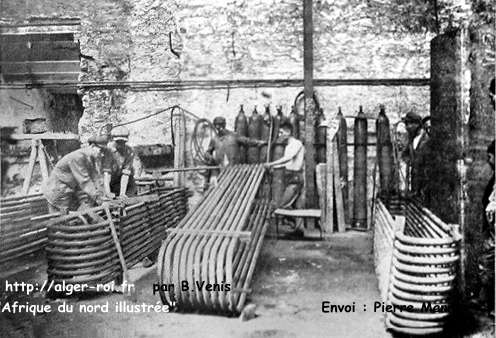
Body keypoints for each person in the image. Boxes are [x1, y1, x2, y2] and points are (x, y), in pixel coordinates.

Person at [42, 135, 107, 214]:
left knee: (82, 213)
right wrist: (100, 199)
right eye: (101, 150)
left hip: (70, 190)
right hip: (58, 191)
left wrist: (104, 197)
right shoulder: (78, 157)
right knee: (61, 219)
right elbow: (85, 182)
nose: (102, 154)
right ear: (92, 146)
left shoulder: (91, 158)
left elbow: (96, 178)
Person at [264, 121, 305, 209]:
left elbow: (288, 158)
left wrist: (271, 163)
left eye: (281, 132)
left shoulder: (296, 143)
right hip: (288, 177)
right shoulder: (287, 146)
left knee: (281, 204)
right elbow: (287, 163)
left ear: (288, 132)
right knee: (280, 203)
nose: (279, 135)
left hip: (295, 178)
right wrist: (274, 167)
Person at [102, 126, 137, 198]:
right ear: (113, 140)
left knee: (131, 191)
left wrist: (122, 194)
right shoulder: (108, 151)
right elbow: (107, 175)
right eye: (118, 142)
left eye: (123, 142)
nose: (121, 145)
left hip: (118, 180)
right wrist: (108, 193)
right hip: (105, 181)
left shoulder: (129, 151)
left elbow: (125, 174)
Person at [401, 111, 430, 198]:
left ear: (417, 124)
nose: (406, 127)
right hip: (415, 185)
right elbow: (404, 155)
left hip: (425, 185)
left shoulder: (427, 140)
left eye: (408, 124)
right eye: (406, 124)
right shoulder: (412, 140)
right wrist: (410, 162)